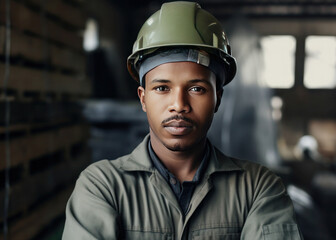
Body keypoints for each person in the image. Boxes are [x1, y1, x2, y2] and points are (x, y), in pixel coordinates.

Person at [62, 2, 303, 239]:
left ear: (218, 98)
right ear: (143, 99)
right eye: (162, 88)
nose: (179, 104)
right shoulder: (102, 187)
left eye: (197, 88)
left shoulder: (259, 189)